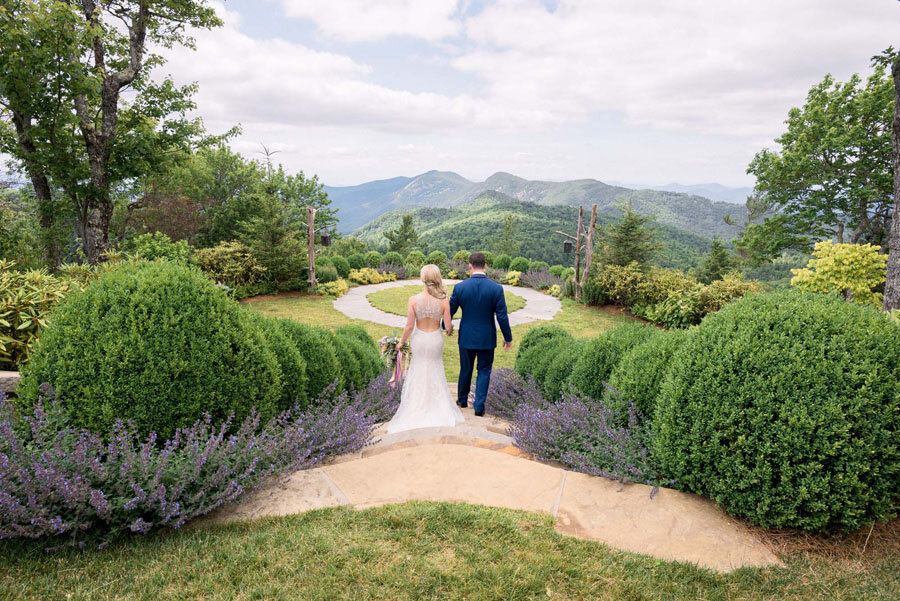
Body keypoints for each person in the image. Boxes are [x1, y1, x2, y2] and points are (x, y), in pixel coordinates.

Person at [385, 264, 464, 434]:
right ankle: (437, 406)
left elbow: (408, 326)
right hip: (435, 339)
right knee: (435, 369)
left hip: (419, 339)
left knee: (419, 369)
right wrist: (449, 330)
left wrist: (400, 343)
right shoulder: (444, 301)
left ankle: (417, 406)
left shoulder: (413, 300)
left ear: (423, 278)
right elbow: (448, 326)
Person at [449, 251, 513, 416]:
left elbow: (449, 311)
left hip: (466, 336)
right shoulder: (496, 289)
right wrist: (508, 338)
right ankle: (479, 407)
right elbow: (502, 317)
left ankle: (462, 400)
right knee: (484, 370)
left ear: (470, 266)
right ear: (485, 266)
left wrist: (445, 326)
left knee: (465, 368)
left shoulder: (460, 287)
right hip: (487, 337)